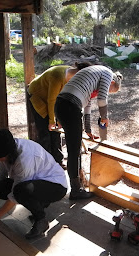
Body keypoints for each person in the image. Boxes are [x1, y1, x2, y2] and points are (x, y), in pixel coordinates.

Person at [0, 129, 68, 239]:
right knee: (1, 187)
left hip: (56, 186)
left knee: (20, 192)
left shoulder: (24, 159)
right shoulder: (5, 151)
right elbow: (0, 178)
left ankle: (41, 220)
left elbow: (14, 196)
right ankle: (39, 204)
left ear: (8, 153)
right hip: (36, 181)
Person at [54, 65, 123, 200]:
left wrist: (88, 130)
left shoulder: (96, 74)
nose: (106, 91)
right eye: (110, 90)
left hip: (61, 104)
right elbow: (102, 99)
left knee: (74, 147)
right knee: (74, 151)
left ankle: (77, 186)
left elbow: (87, 106)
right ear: (112, 83)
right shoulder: (108, 74)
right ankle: (75, 190)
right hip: (70, 106)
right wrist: (104, 117)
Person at [28, 62, 92, 167]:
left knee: (56, 132)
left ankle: (57, 161)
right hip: (38, 96)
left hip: (52, 101)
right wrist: (52, 121)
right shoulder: (58, 76)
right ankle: (46, 165)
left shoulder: (73, 78)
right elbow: (52, 100)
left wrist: (59, 120)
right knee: (45, 132)